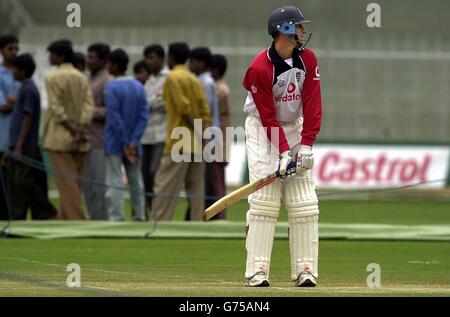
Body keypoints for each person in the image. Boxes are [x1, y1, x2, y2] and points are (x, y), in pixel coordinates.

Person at [242, 6, 322, 287]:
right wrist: (284, 151)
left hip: (294, 126)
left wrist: (307, 145)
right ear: (283, 30)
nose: (302, 31)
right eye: (298, 26)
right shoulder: (259, 68)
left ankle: (305, 270)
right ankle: (257, 269)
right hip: (263, 131)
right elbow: (266, 115)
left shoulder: (308, 60)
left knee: (304, 202)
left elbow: (313, 102)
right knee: (265, 201)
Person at [152, 42, 211, 221]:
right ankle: (198, 225)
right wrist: (204, 135)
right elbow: (204, 110)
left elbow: (183, 109)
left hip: (179, 140)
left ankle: (159, 223)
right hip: (197, 143)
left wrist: (197, 130)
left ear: (170, 57)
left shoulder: (172, 78)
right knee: (196, 190)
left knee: (165, 187)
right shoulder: (193, 79)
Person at [42, 39, 94, 220]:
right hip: (81, 137)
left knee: (67, 183)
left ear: (60, 55)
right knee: (75, 181)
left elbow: (56, 108)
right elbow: (89, 106)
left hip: (59, 136)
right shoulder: (81, 77)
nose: (50, 57)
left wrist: (72, 130)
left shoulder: (52, 77)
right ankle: (63, 218)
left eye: (52, 54)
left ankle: (77, 219)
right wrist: (80, 130)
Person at [8, 53, 57, 219]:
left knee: (22, 181)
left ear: (23, 70)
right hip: (20, 144)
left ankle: (46, 210)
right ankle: (18, 217)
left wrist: (20, 145)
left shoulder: (28, 89)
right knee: (17, 184)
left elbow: (27, 116)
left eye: (15, 69)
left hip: (26, 145)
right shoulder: (25, 88)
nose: (12, 72)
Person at [103, 49, 148, 221]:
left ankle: (116, 217)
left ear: (114, 65)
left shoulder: (111, 88)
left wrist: (124, 142)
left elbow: (114, 118)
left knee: (115, 181)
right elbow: (143, 117)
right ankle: (139, 216)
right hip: (135, 145)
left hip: (115, 142)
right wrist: (133, 142)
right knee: (136, 181)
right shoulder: (139, 87)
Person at [188, 47, 222, 220]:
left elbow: (205, 111)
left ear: (201, 63)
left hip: (207, 137)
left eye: (192, 61)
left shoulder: (204, 82)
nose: (190, 64)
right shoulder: (204, 80)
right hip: (208, 135)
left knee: (207, 180)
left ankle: (212, 216)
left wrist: (204, 137)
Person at [84, 42, 112, 220]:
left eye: (92, 57)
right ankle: (93, 220)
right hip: (85, 140)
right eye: (88, 56)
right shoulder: (87, 79)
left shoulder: (107, 81)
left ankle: (100, 223)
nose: (88, 61)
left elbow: (110, 111)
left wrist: (87, 112)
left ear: (103, 60)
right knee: (88, 188)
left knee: (99, 187)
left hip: (100, 141)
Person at [141, 44, 169, 216]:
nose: (148, 62)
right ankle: (146, 211)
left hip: (161, 134)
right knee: (144, 176)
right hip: (146, 136)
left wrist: (148, 102)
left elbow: (164, 102)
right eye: (147, 58)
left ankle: (157, 212)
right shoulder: (149, 80)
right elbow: (150, 102)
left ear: (161, 58)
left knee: (156, 173)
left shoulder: (169, 78)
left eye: (151, 57)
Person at [0, 34, 20, 220]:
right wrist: (17, 103)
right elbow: (3, 106)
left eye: (16, 49)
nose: (13, 52)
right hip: (2, 137)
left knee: (17, 184)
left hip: (19, 138)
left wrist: (14, 101)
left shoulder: (22, 72)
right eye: (10, 49)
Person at [209, 54, 231, 220]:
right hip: (219, 139)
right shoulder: (219, 87)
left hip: (217, 141)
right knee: (214, 181)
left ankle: (220, 216)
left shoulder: (218, 89)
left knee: (216, 182)